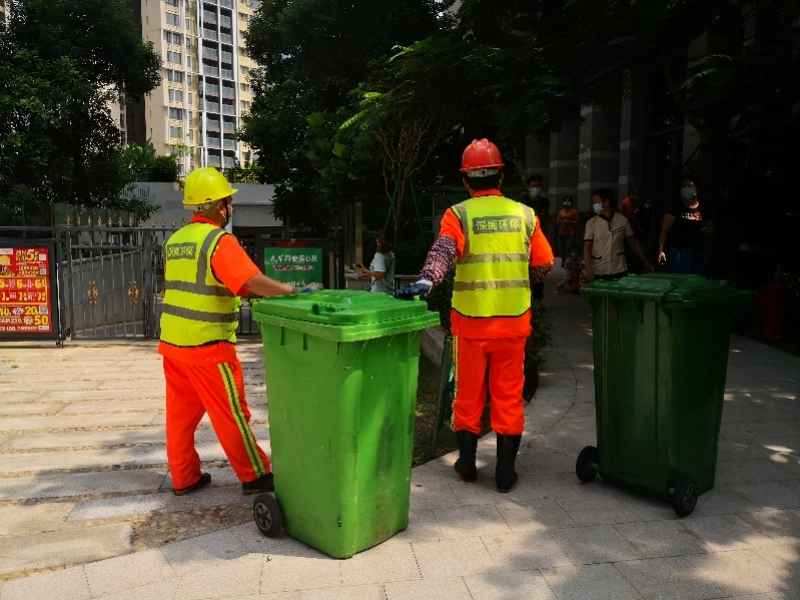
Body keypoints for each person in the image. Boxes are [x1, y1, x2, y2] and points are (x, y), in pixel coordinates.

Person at [398, 139, 554, 493]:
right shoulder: (525, 215)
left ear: (466, 180)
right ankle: (504, 473)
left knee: (468, 394)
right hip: (513, 323)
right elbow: (544, 263)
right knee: (508, 395)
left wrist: (427, 279)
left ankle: (467, 464)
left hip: (471, 324)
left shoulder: (459, 214)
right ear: (500, 174)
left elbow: (444, 250)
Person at [159, 167, 295, 496]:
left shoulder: (175, 242)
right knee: (231, 414)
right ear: (219, 206)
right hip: (208, 347)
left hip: (173, 346)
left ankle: (184, 477)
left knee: (180, 419)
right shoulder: (218, 241)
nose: (229, 207)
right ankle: (256, 475)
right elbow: (248, 282)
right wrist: (286, 291)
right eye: (227, 201)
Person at [583, 188, 653, 281]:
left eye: (596, 202)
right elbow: (587, 248)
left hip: (619, 270)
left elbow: (634, 244)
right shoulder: (591, 223)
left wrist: (645, 261)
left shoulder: (622, 220)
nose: (594, 205)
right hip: (599, 270)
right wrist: (588, 269)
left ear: (606, 202)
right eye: (594, 203)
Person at [657, 179, 710, 275]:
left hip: (699, 251)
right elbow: (664, 231)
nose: (686, 189)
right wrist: (661, 250)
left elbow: (709, 228)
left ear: (696, 190)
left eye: (689, 186)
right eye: (684, 186)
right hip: (680, 252)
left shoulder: (704, 208)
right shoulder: (676, 208)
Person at [526, 174, 550, 301]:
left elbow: (545, 221)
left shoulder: (544, 202)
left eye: (538, 186)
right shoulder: (522, 201)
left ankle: (538, 301)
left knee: (538, 273)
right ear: (528, 186)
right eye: (533, 186)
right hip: (524, 240)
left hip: (539, 240)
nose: (536, 188)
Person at [555, 196, 579, 263]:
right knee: (561, 248)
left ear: (571, 202)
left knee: (568, 247)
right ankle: (563, 261)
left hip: (570, 232)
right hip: (561, 232)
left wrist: (569, 221)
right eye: (565, 201)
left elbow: (577, 222)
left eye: (568, 201)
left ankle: (568, 261)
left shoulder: (574, 211)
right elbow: (557, 221)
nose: (566, 203)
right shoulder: (561, 211)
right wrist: (559, 222)